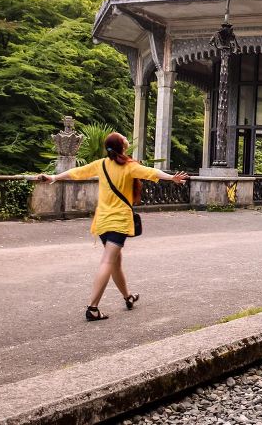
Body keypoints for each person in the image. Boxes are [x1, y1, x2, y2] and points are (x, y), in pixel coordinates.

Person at [41, 132, 188, 321]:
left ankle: (128, 297)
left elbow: (77, 172)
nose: (127, 140)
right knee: (108, 262)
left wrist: (54, 177)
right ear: (123, 147)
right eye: (124, 139)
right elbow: (150, 172)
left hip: (102, 221)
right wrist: (171, 178)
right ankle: (93, 308)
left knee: (115, 262)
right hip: (118, 221)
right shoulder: (129, 167)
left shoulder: (101, 165)